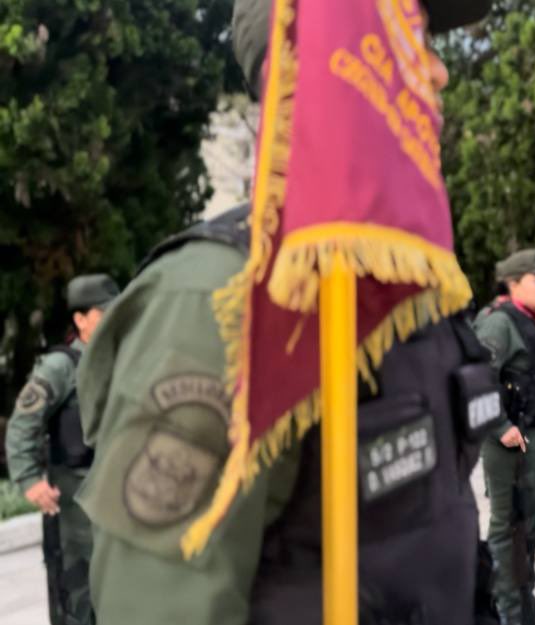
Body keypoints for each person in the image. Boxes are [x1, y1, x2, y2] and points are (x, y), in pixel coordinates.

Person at [73, 2, 502, 623]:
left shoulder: (405, 282)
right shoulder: (218, 299)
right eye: (408, 39)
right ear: (323, 64)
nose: (437, 73)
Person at [6, 274, 119, 625]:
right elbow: (23, 421)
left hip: (118, 499)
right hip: (74, 503)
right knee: (78, 598)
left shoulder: (123, 359)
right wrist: (28, 479)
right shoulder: (61, 366)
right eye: (103, 313)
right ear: (80, 319)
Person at [475, 248, 535, 623]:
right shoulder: (499, 324)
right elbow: (478, 381)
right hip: (510, 443)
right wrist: (500, 427)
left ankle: (525, 596)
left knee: (530, 524)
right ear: (513, 283)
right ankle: (508, 609)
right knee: (507, 526)